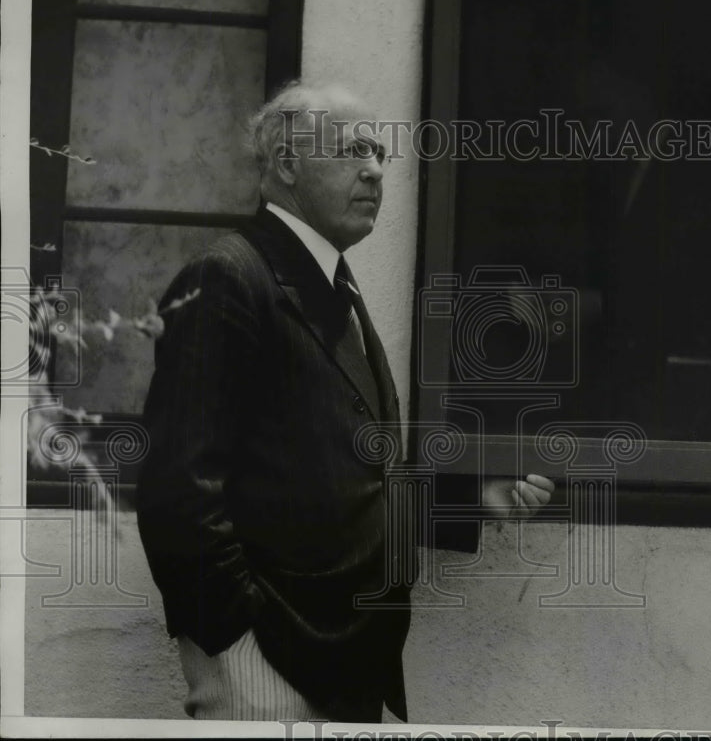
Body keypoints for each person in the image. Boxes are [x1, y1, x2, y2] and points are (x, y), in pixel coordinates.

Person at [136, 81, 554, 723]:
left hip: (343, 659)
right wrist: (234, 636)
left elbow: (348, 469)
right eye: (353, 150)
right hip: (271, 659)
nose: (375, 170)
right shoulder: (230, 277)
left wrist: (476, 500)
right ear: (287, 164)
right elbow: (176, 485)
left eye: (381, 153)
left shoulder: (334, 285)